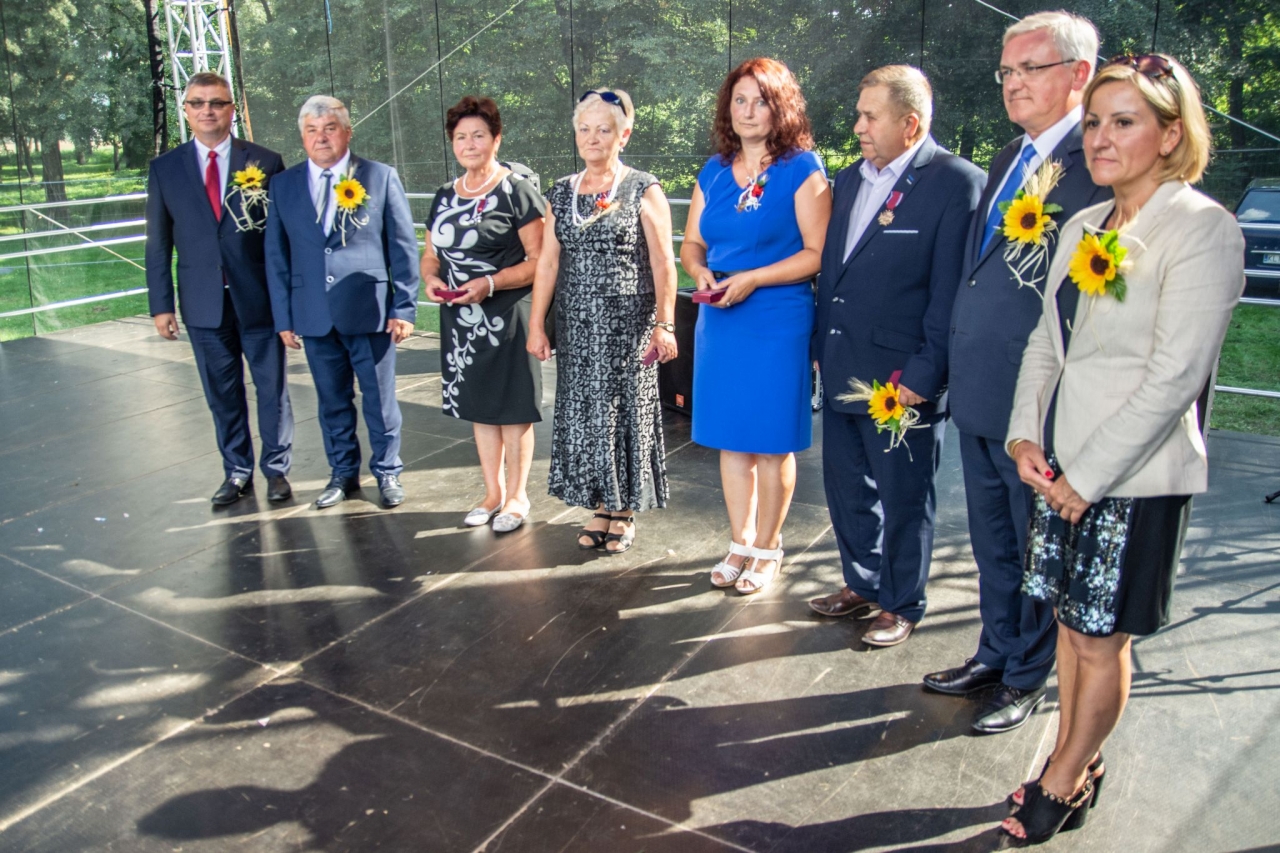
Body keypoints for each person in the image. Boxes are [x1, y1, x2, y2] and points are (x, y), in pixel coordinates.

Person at [999, 55, 1243, 844]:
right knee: (1073, 629)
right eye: (1094, 122)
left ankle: (1064, 776)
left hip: (1132, 477)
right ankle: (1076, 753)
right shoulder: (1082, 225)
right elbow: (1048, 340)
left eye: (1124, 122)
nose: (1100, 139)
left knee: (1102, 639)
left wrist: (1090, 475)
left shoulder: (1203, 228)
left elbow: (1177, 375)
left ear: (1171, 135)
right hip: (1060, 466)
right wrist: (1025, 432)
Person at [926, 11, 1112, 734]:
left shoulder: (1098, 164)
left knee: (1037, 547)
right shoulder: (1010, 157)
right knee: (993, 540)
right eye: (1007, 71)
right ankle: (996, 651)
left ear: (1079, 74)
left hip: (1041, 402)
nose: (1013, 83)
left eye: (1030, 68)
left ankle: (1028, 675)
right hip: (981, 387)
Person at [808, 65, 983, 646]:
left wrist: (926, 373)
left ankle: (901, 602)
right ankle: (862, 583)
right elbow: (833, 273)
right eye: (859, 114)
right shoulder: (848, 179)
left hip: (901, 379)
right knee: (847, 489)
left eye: (870, 116)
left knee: (905, 496)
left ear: (910, 123)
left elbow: (951, 290)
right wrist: (820, 347)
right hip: (842, 364)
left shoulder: (956, 182)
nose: (858, 126)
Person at [680, 57, 831, 595]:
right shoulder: (713, 170)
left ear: (780, 107)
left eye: (760, 101)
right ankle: (739, 542)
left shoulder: (802, 168)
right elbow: (692, 243)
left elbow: (816, 254)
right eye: (738, 101)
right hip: (720, 318)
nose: (747, 111)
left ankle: (768, 547)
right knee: (731, 440)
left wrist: (754, 278)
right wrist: (699, 271)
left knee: (770, 441)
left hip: (776, 318)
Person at [527, 88, 678, 554]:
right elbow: (548, 263)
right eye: (584, 129)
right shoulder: (561, 191)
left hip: (629, 327)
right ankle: (599, 504)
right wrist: (536, 324)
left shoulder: (643, 188)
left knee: (625, 411)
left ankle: (624, 510)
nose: (592, 138)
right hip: (577, 327)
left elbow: (664, 263)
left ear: (623, 135)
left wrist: (666, 324)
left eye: (603, 129)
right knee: (586, 414)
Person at [145, 71, 294, 507]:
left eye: (217, 102)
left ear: (232, 110)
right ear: (186, 110)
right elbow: (158, 243)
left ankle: (277, 470)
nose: (207, 110)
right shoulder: (165, 169)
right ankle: (237, 471)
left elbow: (282, 240)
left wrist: (289, 300)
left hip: (259, 299)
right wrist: (161, 305)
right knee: (222, 393)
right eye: (198, 103)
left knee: (272, 390)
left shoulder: (265, 162)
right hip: (202, 303)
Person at [264, 95, 420, 509]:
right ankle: (342, 473)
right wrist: (284, 317)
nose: (321, 137)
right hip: (313, 315)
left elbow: (403, 246)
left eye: (330, 128)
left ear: (347, 132)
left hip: (370, 311)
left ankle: (387, 471)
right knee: (331, 402)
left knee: (380, 401)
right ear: (302, 137)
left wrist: (404, 307)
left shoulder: (379, 176)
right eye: (312, 130)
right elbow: (276, 256)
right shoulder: (283, 185)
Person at [421, 96, 546, 533]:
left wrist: (490, 284)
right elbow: (430, 254)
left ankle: (517, 497)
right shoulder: (444, 195)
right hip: (460, 319)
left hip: (506, 316)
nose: (469, 144)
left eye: (478, 135)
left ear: (496, 139)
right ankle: (492, 494)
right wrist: (431, 279)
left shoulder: (517, 191)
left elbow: (540, 261)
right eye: (461, 137)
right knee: (480, 408)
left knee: (512, 409)